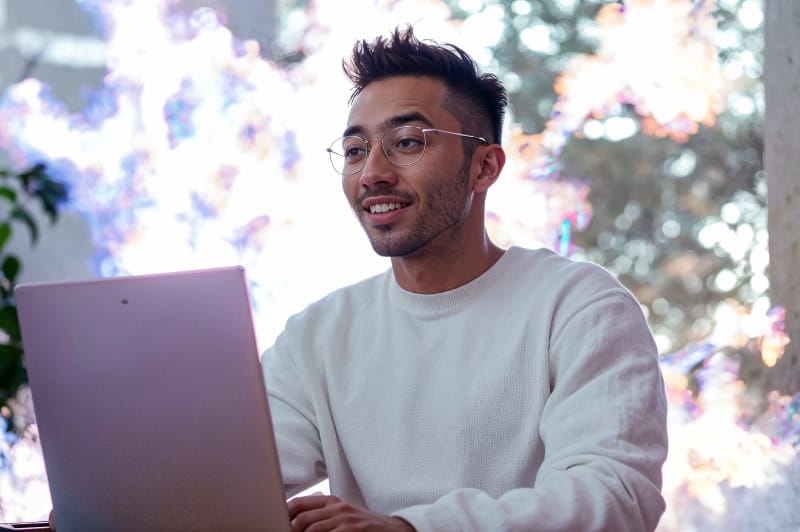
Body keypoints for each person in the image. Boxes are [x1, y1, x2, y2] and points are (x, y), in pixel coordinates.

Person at [264, 25, 668, 532]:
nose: (372, 173)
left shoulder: (579, 307)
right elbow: (226, 478)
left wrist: (411, 528)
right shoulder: (316, 338)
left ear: (484, 168)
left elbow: (614, 497)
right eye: (354, 151)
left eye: (406, 142)